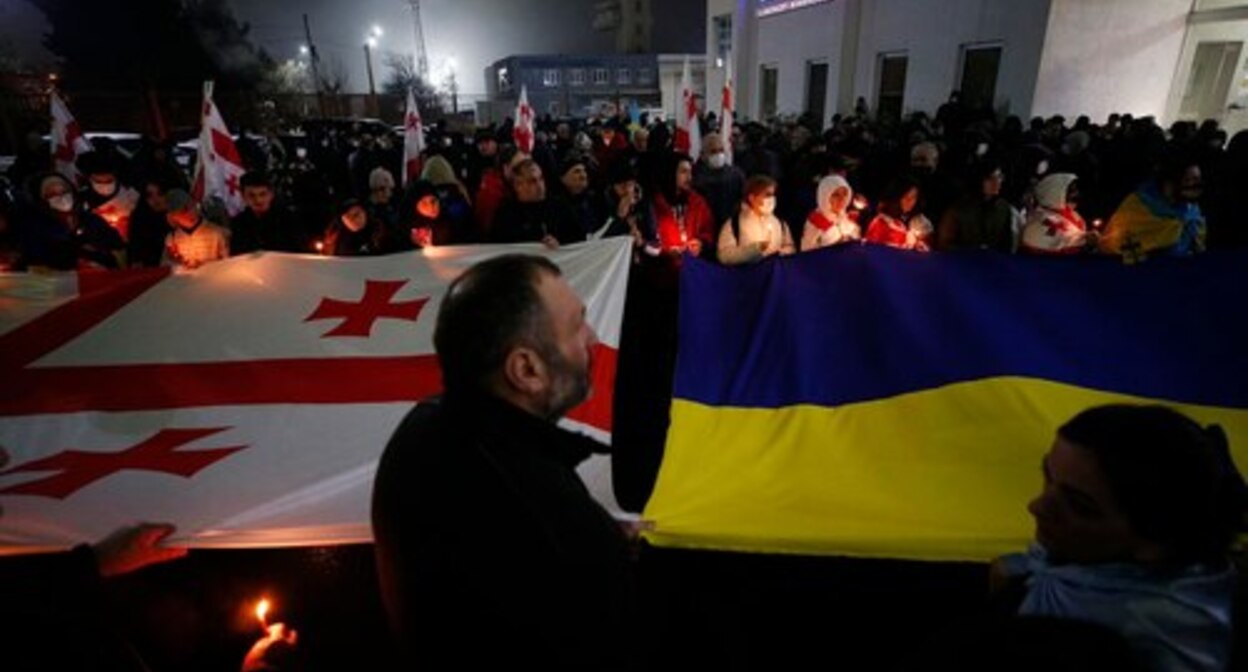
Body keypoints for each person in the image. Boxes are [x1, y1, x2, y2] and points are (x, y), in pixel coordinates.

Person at [371, 254, 636, 669]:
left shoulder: (429, 426)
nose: (593, 337)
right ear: (526, 369)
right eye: (577, 325)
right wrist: (598, 542)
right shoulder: (543, 513)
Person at [994, 404, 1244, 672]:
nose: (1037, 506)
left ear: (1154, 542)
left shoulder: (1147, 643)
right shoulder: (1087, 556)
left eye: (1079, 506)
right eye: (1047, 476)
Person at [1100, 153, 1207, 259]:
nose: (1195, 186)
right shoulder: (1138, 206)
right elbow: (1111, 243)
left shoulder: (1191, 208)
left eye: (1198, 179)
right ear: (1170, 182)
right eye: (1188, 180)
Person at [18, 172, 125, 270]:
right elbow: (36, 260)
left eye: (65, 191)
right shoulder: (34, 228)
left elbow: (117, 246)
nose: (61, 197)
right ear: (41, 200)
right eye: (52, 194)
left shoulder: (90, 219)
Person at [490, 158, 585, 248]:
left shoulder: (559, 207)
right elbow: (498, 246)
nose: (540, 186)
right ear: (518, 185)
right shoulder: (506, 214)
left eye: (541, 179)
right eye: (532, 181)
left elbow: (579, 240)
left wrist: (559, 244)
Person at [939, 161, 1019, 253]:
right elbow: (945, 245)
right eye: (990, 178)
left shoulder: (1004, 208)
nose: (996, 182)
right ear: (979, 181)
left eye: (999, 177)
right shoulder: (958, 210)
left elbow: (1007, 244)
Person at [718, 174, 797, 265]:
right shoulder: (734, 224)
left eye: (773, 195)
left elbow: (791, 248)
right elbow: (724, 256)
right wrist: (755, 249)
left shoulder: (780, 223)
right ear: (752, 198)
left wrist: (782, 253)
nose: (772, 199)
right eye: (767, 195)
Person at [230, 171, 304, 255]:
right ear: (243, 196)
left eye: (263, 194)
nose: (258, 200)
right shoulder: (238, 223)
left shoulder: (288, 220)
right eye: (251, 195)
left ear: (271, 194)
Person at [1019, 173, 1092, 255]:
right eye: (1071, 190)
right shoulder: (1039, 220)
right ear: (1055, 191)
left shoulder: (1073, 215)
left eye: (1075, 189)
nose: (1076, 193)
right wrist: (1084, 240)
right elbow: (1041, 242)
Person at [78, 151, 140, 242]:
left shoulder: (129, 192)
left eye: (109, 181)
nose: (104, 185)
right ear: (90, 179)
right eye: (98, 181)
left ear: (116, 177)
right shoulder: (82, 199)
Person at [162, 189, 230, 269]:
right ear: (173, 217)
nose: (191, 213)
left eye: (192, 206)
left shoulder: (217, 233)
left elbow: (228, 263)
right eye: (183, 211)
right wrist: (178, 263)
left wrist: (204, 266)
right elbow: (165, 264)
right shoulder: (172, 239)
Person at [865, 176, 933, 252]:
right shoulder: (881, 222)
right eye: (905, 196)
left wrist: (917, 245)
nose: (909, 201)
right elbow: (871, 250)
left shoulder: (915, 222)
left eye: (913, 197)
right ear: (897, 196)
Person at [694, 132, 747, 229]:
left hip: (732, 225)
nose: (718, 154)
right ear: (703, 154)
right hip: (707, 227)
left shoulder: (736, 174)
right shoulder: (695, 177)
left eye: (721, 150)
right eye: (713, 151)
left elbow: (743, 198)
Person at [801, 174, 861, 252]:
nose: (842, 199)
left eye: (844, 194)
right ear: (825, 195)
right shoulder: (816, 219)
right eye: (836, 195)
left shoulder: (848, 218)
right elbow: (806, 252)